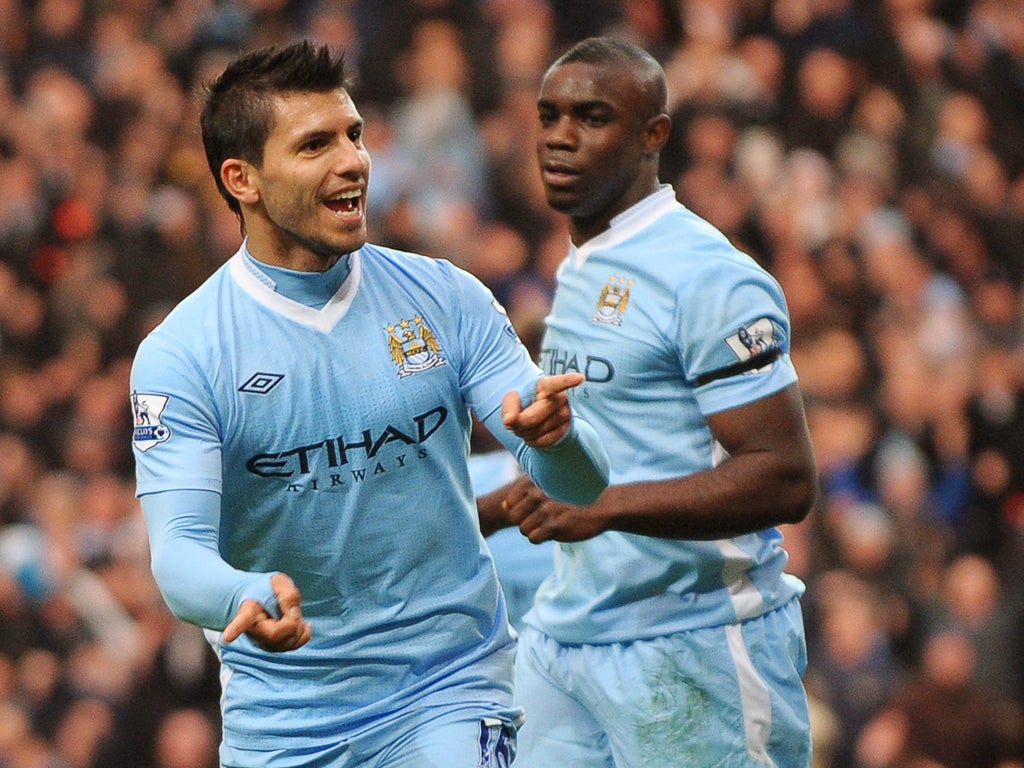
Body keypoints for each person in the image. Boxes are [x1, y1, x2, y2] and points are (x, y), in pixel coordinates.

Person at [128, 41, 609, 768]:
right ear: (242, 179)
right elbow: (178, 558)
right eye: (315, 144)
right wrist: (241, 594)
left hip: (448, 687)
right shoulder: (184, 355)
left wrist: (556, 441)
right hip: (285, 725)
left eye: (353, 135)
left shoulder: (444, 298)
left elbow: (583, 486)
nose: (353, 161)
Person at [478, 36, 819, 767]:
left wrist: (608, 508)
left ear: (652, 136)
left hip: (695, 642)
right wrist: (432, 524)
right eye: (549, 115)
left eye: (592, 117)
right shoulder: (577, 266)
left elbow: (786, 478)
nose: (560, 137)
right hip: (565, 640)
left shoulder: (708, 277)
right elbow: (583, 470)